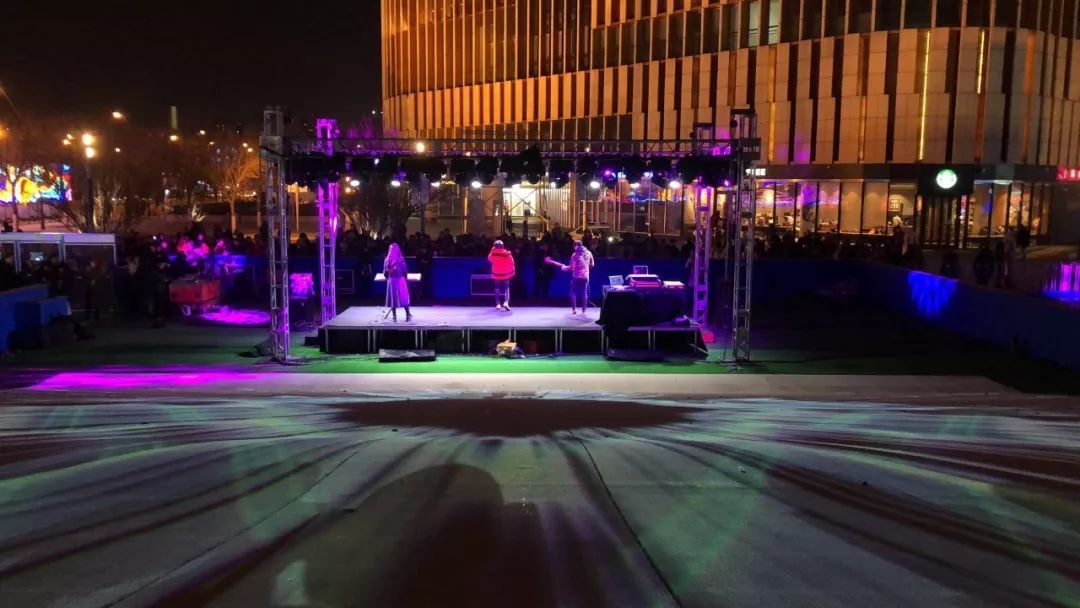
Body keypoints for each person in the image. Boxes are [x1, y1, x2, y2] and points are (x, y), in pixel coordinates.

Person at [549, 240, 595, 314]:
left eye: (574, 246)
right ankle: (584, 311)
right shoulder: (589, 253)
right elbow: (592, 264)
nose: (574, 248)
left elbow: (570, 267)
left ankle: (574, 310)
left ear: (576, 246)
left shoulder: (574, 255)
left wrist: (564, 267)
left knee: (573, 291)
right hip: (585, 276)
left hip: (576, 276)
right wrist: (586, 269)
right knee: (584, 292)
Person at [383, 243, 413, 322]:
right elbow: (405, 271)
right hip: (397, 280)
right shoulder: (398, 259)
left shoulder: (390, 259)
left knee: (397, 298)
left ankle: (397, 316)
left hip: (395, 280)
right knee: (401, 298)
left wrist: (388, 277)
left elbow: (385, 273)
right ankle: (404, 316)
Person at [487, 239, 516, 311]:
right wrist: (512, 271)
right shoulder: (507, 254)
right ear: (502, 246)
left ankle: (498, 304)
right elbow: (512, 262)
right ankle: (506, 302)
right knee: (506, 288)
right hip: (506, 274)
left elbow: (489, 259)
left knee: (497, 288)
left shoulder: (492, 254)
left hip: (496, 274)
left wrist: (492, 250)